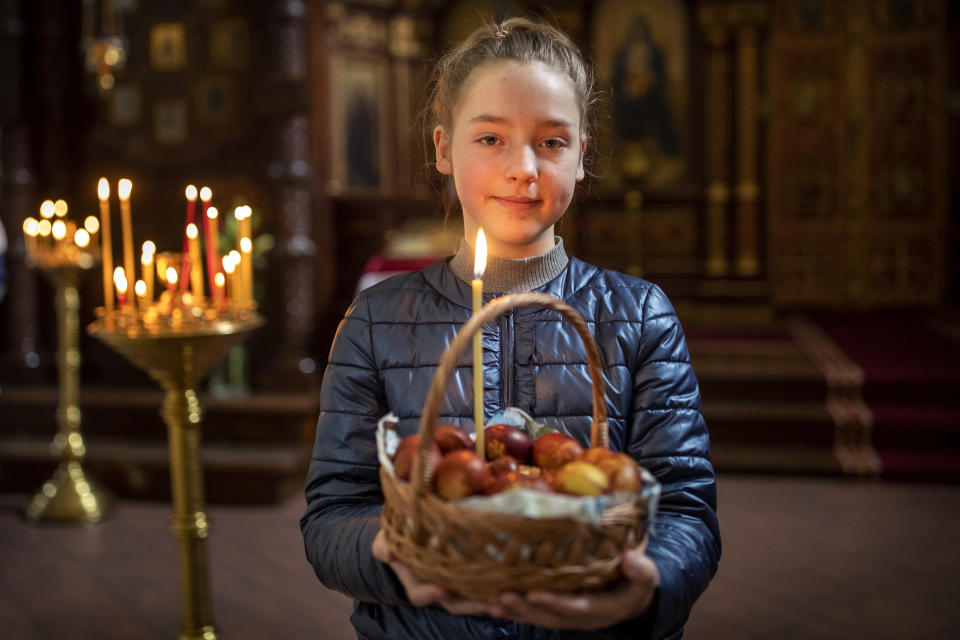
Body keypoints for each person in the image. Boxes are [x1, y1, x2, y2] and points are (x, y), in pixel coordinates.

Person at [301, 16, 720, 640]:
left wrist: (645, 587)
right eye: (491, 138)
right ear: (444, 148)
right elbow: (335, 511)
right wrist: (390, 558)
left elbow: (685, 507)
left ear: (583, 155)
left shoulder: (638, 315)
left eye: (552, 142)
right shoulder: (376, 319)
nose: (523, 166)